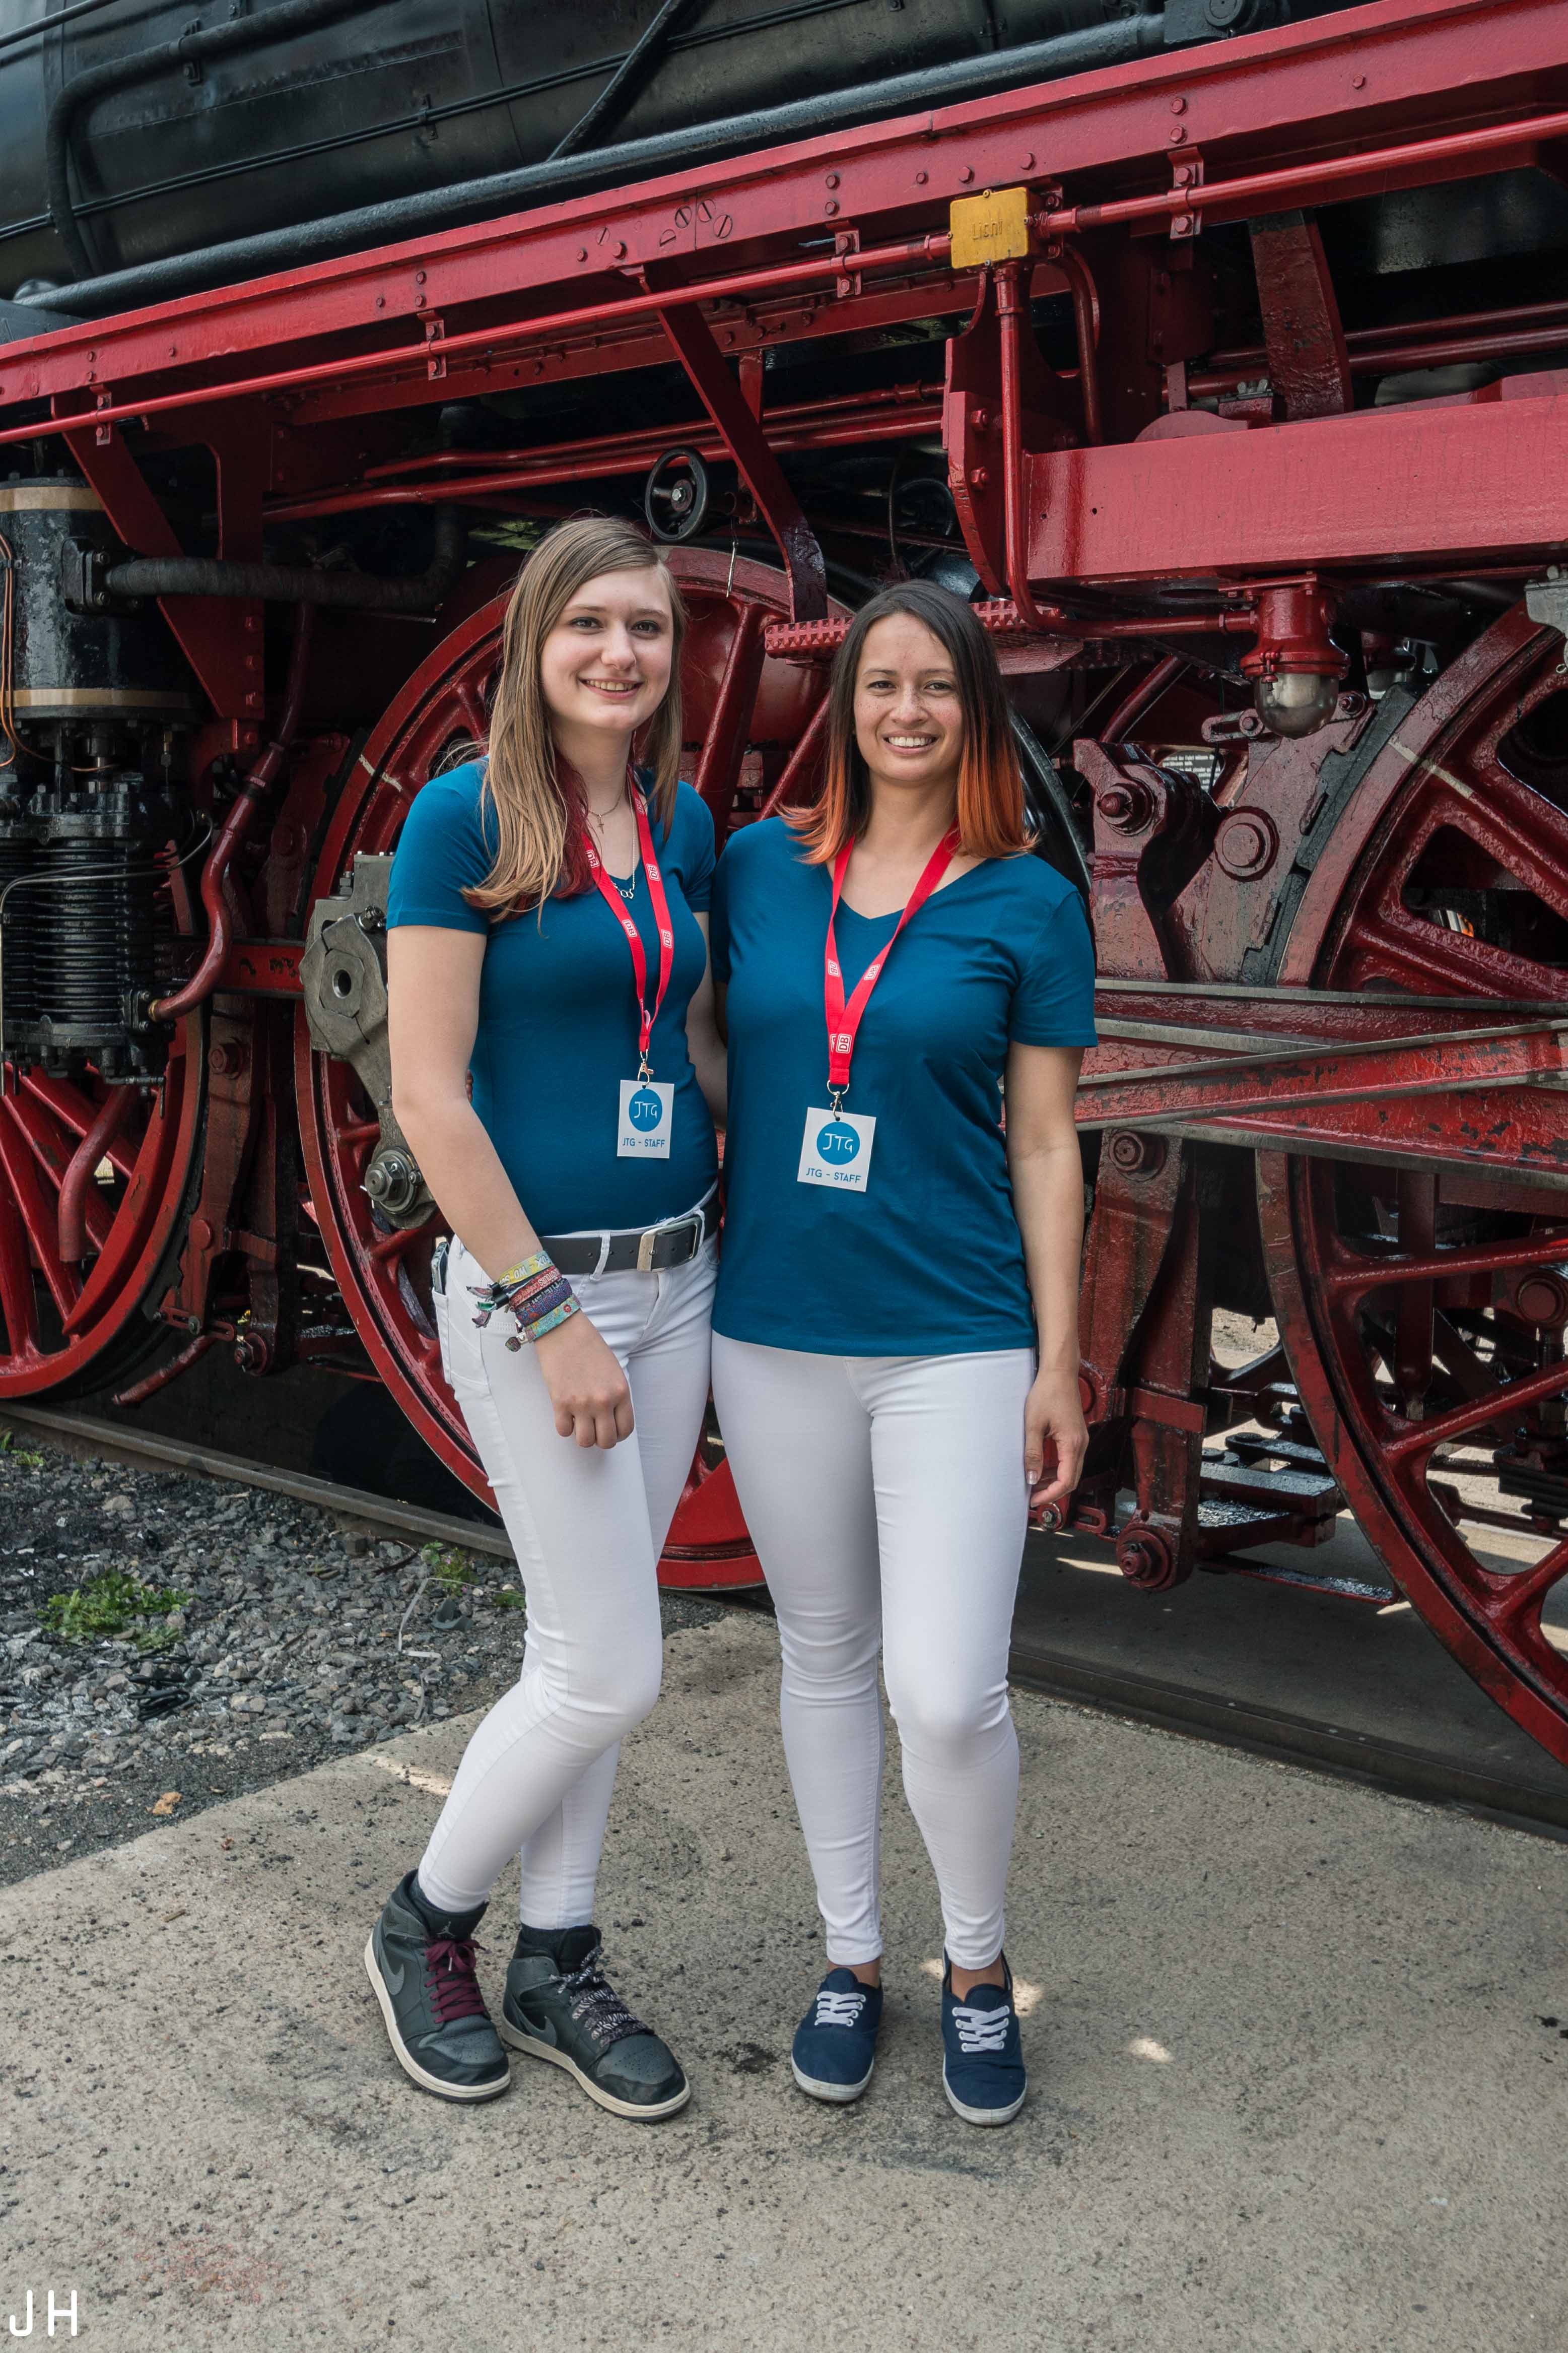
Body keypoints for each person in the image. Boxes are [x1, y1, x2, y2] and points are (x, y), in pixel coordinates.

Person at [709, 580, 1095, 2126]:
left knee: (945, 1693)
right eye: (880, 683)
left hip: (957, 1338)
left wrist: (1060, 1362)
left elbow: (1047, 1142)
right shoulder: (757, 867)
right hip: (773, 1332)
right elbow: (691, 1027)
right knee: (821, 1655)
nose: (906, 711)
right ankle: (850, 1957)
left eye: (936, 685)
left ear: (974, 709)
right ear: (843, 705)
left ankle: (977, 1967)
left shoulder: (1026, 901)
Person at [364, 517, 726, 2119]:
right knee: (608, 1670)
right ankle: (424, 1921)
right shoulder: (461, 819)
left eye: (644, 627)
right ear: (533, 645)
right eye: (587, 625)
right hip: (544, 1296)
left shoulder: (682, 822)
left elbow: (690, 1043)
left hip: (681, 1273)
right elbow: (430, 1097)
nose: (617, 654)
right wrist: (551, 1314)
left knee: (588, 1640)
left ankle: (557, 1955)